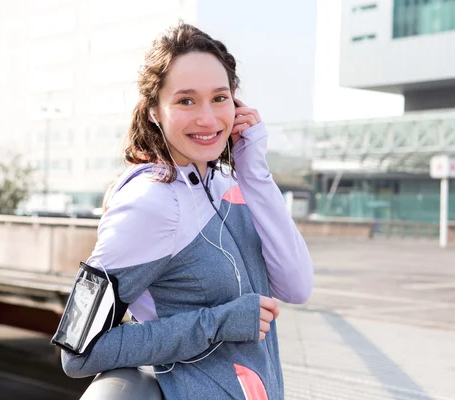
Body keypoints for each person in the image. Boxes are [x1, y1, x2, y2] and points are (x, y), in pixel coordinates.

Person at [61, 21, 314, 400]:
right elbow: (79, 350)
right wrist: (218, 323)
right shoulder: (148, 205)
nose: (209, 120)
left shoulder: (229, 185)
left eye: (219, 98)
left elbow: (297, 285)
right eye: (185, 100)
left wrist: (254, 171)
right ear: (153, 112)